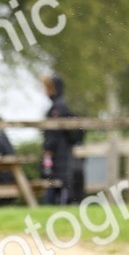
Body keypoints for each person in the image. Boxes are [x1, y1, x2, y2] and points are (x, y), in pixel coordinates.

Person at [41, 75, 84, 204]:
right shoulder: (59, 106)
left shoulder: (58, 108)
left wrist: (48, 150)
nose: (44, 91)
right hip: (61, 152)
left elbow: (53, 135)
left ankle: (61, 204)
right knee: (59, 181)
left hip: (59, 153)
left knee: (60, 182)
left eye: (47, 87)